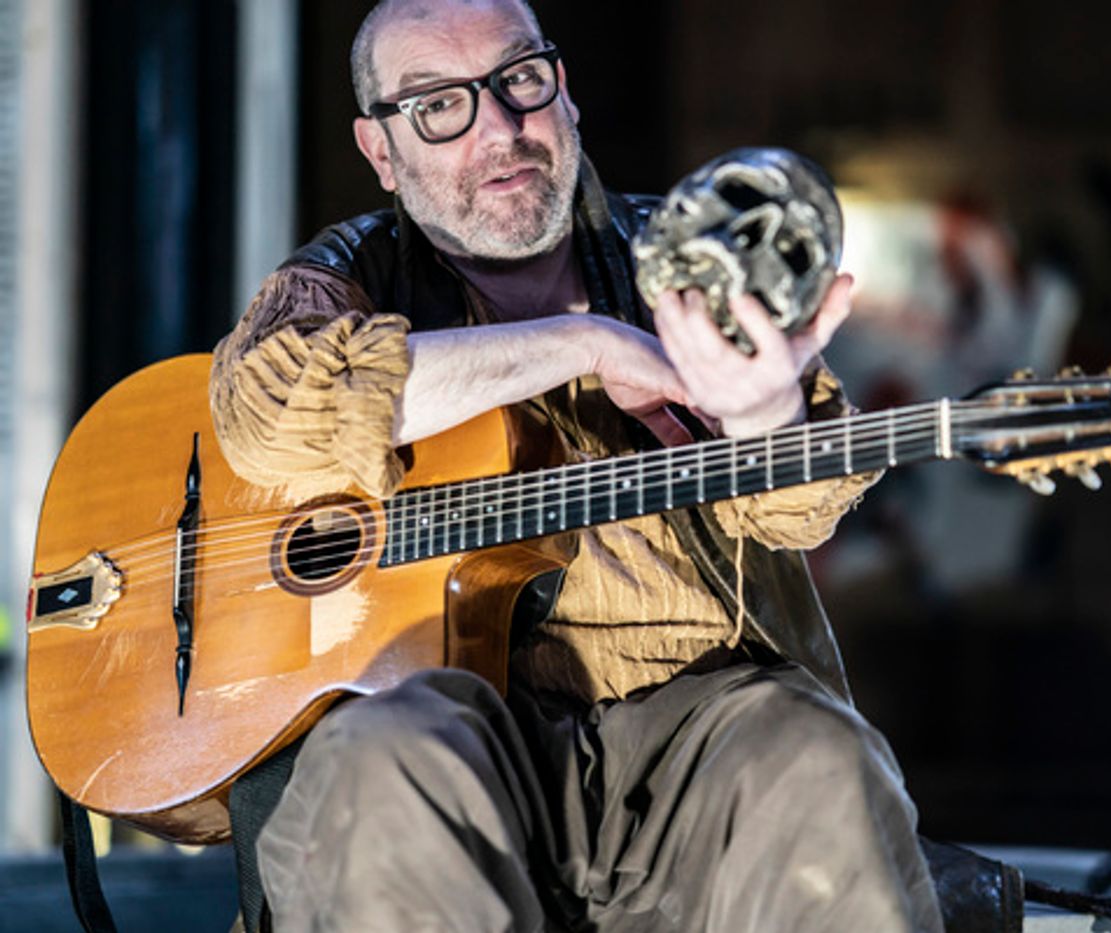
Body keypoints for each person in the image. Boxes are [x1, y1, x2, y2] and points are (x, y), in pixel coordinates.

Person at [209, 0, 944, 929]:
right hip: (452, 740)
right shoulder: (345, 278)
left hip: (701, 734)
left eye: (521, 79)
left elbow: (802, 509)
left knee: (820, 755)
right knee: (379, 758)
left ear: (567, 94)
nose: (502, 129)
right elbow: (277, 414)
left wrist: (763, 411)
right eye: (440, 105)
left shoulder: (695, 272)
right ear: (381, 150)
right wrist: (580, 342)